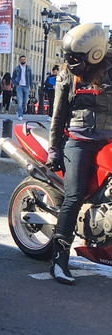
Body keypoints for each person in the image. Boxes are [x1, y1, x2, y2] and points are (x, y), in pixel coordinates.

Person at [46, 23, 112, 285]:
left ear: (94, 54)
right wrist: (53, 149)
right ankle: (59, 261)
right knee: (73, 197)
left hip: (107, 141)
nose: (68, 61)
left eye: (74, 57)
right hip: (78, 142)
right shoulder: (66, 77)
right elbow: (58, 114)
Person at [12, 55, 33, 121]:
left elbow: (30, 78)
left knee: (26, 101)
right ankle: (20, 115)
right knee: (20, 101)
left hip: (26, 86)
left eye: (24, 59)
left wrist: (31, 87)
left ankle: (19, 111)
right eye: (22, 59)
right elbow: (13, 78)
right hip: (19, 86)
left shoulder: (28, 68)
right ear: (19, 60)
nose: (23, 60)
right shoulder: (16, 68)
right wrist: (16, 84)